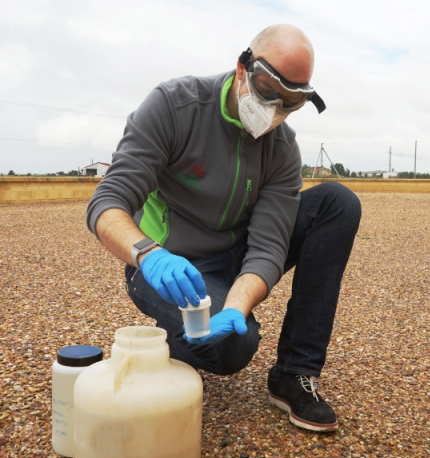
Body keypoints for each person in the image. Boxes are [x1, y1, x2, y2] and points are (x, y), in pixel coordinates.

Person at [86, 24, 361, 432]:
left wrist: (237, 305)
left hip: (238, 256)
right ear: (242, 68)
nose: (275, 110)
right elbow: (107, 203)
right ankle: (174, 339)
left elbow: (268, 246)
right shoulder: (174, 106)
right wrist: (147, 254)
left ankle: (294, 374)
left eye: (292, 102)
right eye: (268, 90)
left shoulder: (282, 148)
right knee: (234, 349)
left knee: (337, 203)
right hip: (170, 265)